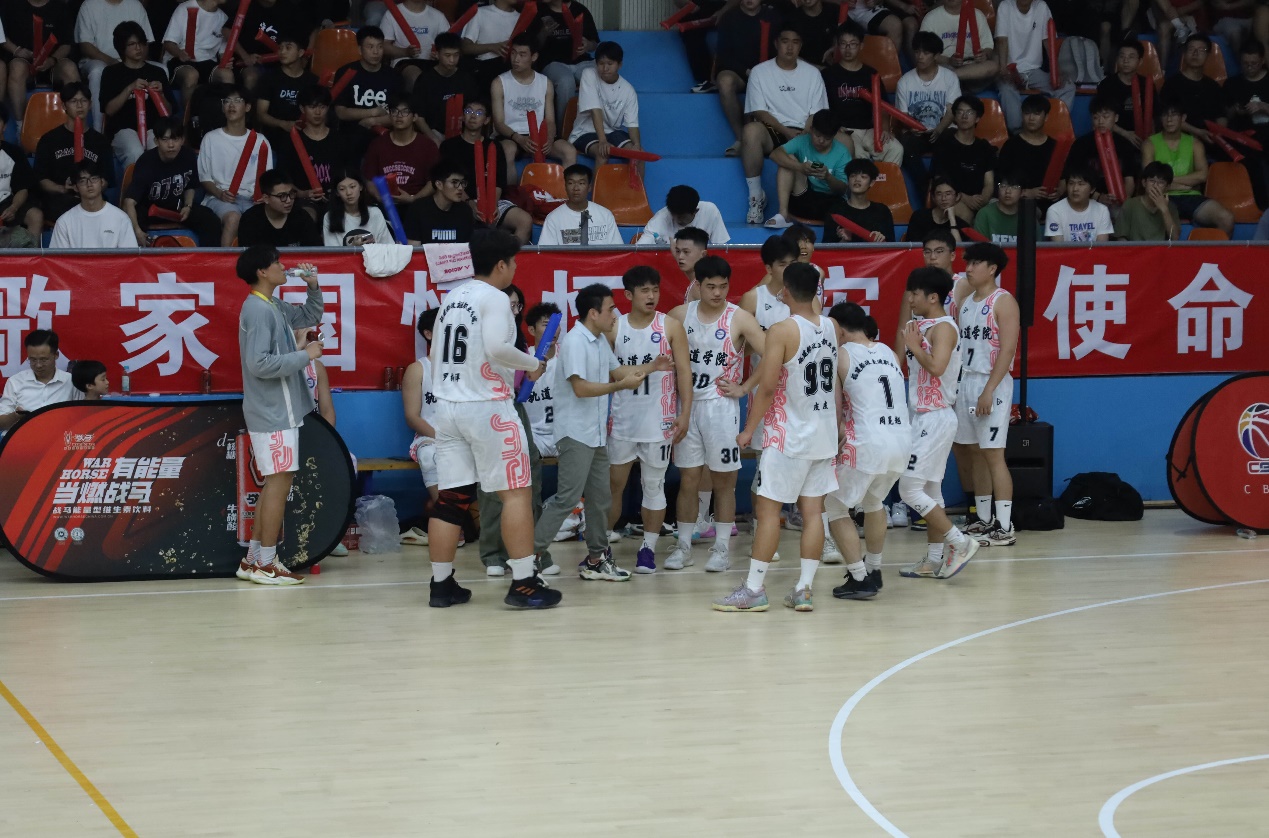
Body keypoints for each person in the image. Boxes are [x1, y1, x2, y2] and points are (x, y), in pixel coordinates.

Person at [426, 229, 560, 609]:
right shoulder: (496, 298)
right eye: (513, 263)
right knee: (515, 492)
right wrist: (533, 363)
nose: (515, 269)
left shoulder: (452, 297)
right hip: (487, 407)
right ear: (501, 264)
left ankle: (441, 585)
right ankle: (524, 583)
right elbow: (497, 348)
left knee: (451, 498)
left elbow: (435, 354)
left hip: (447, 408)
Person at [714, 262, 838, 613]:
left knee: (768, 511)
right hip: (823, 433)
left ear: (785, 290)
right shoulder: (831, 325)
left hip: (789, 435)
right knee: (813, 512)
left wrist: (748, 430)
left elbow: (767, 388)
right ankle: (804, 589)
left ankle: (754, 589)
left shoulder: (783, 330)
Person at [531, 283, 664, 583]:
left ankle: (596, 559)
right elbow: (580, 388)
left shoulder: (600, 340)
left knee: (600, 499)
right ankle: (530, 557)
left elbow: (618, 372)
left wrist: (652, 366)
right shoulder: (575, 342)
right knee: (567, 499)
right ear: (593, 313)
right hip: (575, 434)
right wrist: (619, 387)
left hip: (596, 434)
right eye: (610, 309)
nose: (615, 315)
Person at [665, 256, 766, 573]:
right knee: (689, 479)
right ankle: (683, 546)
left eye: (723, 286)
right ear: (697, 284)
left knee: (724, 481)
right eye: (710, 286)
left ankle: (721, 548)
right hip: (687, 406)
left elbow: (772, 354)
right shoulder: (679, 315)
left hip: (721, 409)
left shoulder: (740, 318)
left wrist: (745, 386)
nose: (718, 292)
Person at [234, 246, 324, 586]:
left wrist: (313, 286)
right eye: (276, 263)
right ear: (262, 271)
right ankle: (267, 564)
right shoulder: (258, 310)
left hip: (279, 410)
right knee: (278, 485)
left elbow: (308, 315)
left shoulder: (272, 304)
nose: (283, 267)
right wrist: (305, 355)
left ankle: (253, 559)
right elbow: (258, 364)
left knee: (274, 484)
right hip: (272, 412)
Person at [606, 266, 693, 575]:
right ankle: (602, 547)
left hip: (659, 421)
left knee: (654, 486)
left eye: (655, 289)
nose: (651, 295)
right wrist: (650, 367)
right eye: (644, 290)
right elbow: (608, 373)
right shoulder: (615, 327)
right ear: (628, 295)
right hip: (623, 421)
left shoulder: (670, 326)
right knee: (613, 486)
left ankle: (648, 548)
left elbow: (685, 373)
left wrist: (685, 413)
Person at [897, 266, 980, 579]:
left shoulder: (944, 327)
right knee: (931, 492)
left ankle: (960, 542)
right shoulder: (918, 325)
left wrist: (915, 346)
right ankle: (933, 560)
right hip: (920, 416)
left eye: (915, 293)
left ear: (933, 297)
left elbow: (937, 366)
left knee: (909, 489)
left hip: (935, 416)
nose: (910, 299)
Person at [824, 302, 909, 601]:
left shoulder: (841, 355)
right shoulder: (889, 352)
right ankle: (874, 568)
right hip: (901, 441)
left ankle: (859, 577)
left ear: (839, 329)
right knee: (874, 502)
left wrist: (833, 440)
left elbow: (835, 410)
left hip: (867, 442)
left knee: (834, 506)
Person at [952, 243, 1019, 548]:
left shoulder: (1003, 301)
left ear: (992, 269)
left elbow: (1007, 350)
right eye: (968, 262)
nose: (968, 268)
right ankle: (983, 518)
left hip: (991, 383)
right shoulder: (966, 302)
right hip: (966, 380)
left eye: (976, 263)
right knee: (975, 451)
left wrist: (989, 390)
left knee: (993, 454)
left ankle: (1004, 525)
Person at [741, 24, 830, 224]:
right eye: (785, 41)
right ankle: (756, 197)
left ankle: (842, 201)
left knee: (845, 141)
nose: (790, 47)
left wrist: (804, 133)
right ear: (776, 44)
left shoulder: (812, 73)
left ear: (801, 46)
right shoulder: (760, 71)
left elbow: (817, 113)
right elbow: (759, 111)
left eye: (795, 42)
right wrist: (786, 132)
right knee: (750, 131)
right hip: (773, 129)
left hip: (806, 131)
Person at [438, 98, 534, 244]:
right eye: (468, 111)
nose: (473, 116)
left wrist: (492, 205)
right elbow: (448, 181)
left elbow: (498, 181)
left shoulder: (494, 146)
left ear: (487, 120)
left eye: (479, 113)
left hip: (492, 200)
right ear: (462, 116)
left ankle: (510, 256)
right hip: (459, 200)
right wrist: (470, 204)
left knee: (525, 221)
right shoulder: (449, 146)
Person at [1142, 99, 1236, 236]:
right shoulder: (1150, 143)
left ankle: (1210, 251)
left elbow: (1202, 175)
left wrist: (1168, 182)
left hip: (1191, 196)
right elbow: (1148, 178)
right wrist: (1183, 185)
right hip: (1160, 197)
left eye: (1174, 115)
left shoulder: (1195, 143)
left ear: (1183, 118)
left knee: (1226, 219)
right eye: (1165, 115)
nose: (1169, 120)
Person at [124, 116, 222, 246]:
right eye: (165, 140)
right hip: (149, 210)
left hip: (178, 209)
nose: (171, 145)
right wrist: (136, 231)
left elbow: (190, 186)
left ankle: (207, 258)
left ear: (182, 140)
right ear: (156, 141)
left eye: (175, 139)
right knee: (130, 221)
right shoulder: (146, 161)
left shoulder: (188, 156)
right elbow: (129, 202)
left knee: (210, 220)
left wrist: (188, 206)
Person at [198, 84, 274, 246]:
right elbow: (205, 178)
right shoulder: (211, 138)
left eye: (237, 100)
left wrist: (262, 196)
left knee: (263, 219)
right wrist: (220, 194)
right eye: (227, 101)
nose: (231, 105)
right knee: (233, 218)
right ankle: (225, 260)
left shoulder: (260, 140)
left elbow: (268, 178)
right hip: (220, 198)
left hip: (252, 200)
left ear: (247, 107)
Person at [822, 20, 905, 164]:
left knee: (896, 149)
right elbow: (823, 108)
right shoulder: (828, 75)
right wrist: (834, 128)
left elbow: (883, 107)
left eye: (853, 44)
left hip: (870, 130)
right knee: (860, 157)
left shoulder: (871, 74)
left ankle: (886, 179)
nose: (848, 48)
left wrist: (884, 129)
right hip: (844, 131)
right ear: (838, 46)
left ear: (861, 46)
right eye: (843, 44)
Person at [491, 34, 576, 170]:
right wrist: (519, 139)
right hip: (511, 136)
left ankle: (564, 185)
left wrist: (549, 138)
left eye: (522, 54)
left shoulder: (545, 83)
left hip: (539, 136)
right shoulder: (499, 83)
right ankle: (514, 185)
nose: (516, 59)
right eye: (513, 53)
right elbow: (499, 123)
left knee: (569, 151)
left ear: (534, 57)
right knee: (507, 151)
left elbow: (550, 120)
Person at [35, 82, 113, 223]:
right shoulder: (49, 140)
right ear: (64, 106)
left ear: (90, 105)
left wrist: (88, 189)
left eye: (84, 101)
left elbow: (106, 179)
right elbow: (41, 179)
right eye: (73, 101)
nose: (79, 105)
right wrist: (62, 189)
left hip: (92, 197)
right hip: (59, 198)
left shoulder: (101, 141)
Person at [897, 31, 962, 200]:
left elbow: (952, 110)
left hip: (943, 130)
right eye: (917, 52)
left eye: (925, 53)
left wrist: (939, 129)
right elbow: (902, 114)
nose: (920, 56)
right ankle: (925, 185)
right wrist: (911, 126)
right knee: (906, 144)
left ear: (936, 56)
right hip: (917, 134)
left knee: (950, 138)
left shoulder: (949, 77)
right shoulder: (905, 81)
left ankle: (937, 181)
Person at [715, 0, 784, 156]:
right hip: (739, 72)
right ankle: (740, 138)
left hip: (766, 72)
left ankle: (767, 140)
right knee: (725, 82)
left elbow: (780, 49)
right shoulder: (729, 17)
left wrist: (762, 72)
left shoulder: (773, 16)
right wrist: (747, 71)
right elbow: (723, 55)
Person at [994, 0, 1075, 132]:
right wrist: (1003, 69)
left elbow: (1049, 42)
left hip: (1034, 71)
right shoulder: (1005, 6)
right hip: (1010, 69)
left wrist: (1057, 71)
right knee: (1007, 90)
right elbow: (1001, 40)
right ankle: (1018, 133)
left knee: (1067, 87)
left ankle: (1051, 129)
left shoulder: (1041, 6)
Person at [98, 20, 171, 166]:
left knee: (159, 150)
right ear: (121, 47)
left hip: (153, 129)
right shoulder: (111, 73)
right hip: (122, 130)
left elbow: (168, 112)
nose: (138, 48)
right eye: (132, 44)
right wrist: (129, 88)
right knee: (135, 151)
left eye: (141, 43)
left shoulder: (157, 72)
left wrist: (161, 94)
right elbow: (109, 110)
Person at [75, 0, 155, 131]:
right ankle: (99, 130)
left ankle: (160, 130)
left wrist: (132, 63)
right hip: (98, 60)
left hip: (132, 59)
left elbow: (145, 42)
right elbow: (85, 46)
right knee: (98, 71)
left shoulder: (135, 5)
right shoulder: (89, 5)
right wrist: (114, 63)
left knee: (162, 69)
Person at [766, 108, 851, 230]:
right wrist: (800, 167)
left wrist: (828, 177)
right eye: (817, 135)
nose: (821, 141)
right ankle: (783, 214)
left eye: (827, 138)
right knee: (788, 160)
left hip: (831, 203)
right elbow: (774, 154)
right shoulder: (802, 141)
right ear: (811, 129)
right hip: (804, 199)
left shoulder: (842, 152)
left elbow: (843, 189)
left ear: (834, 136)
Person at [3, 0, 81, 123]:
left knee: (70, 69)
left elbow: (66, 44)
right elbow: (2, 37)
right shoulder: (12, 5)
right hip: (24, 60)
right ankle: (21, 125)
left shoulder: (61, 7)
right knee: (17, 68)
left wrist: (52, 60)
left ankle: (74, 125)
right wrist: (17, 50)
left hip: (53, 62)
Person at [568, 41, 642, 168]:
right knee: (603, 153)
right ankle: (597, 183)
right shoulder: (589, 74)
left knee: (639, 155)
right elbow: (595, 110)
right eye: (601, 64)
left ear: (619, 64)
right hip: (584, 131)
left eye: (610, 64)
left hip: (613, 132)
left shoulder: (628, 90)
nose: (605, 68)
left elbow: (632, 125)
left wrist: (636, 145)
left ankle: (637, 183)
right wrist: (602, 141)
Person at [332, 26, 402, 158]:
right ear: (359, 49)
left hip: (384, 134)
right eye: (370, 47)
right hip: (351, 134)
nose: (376, 52)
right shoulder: (346, 72)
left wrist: (372, 121)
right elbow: (340, 112)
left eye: (380, 47)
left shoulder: (394, 76)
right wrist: (373, 112)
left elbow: (400, 114)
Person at [530, 0, 601, 127]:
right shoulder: (538, 11)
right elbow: (532, 46)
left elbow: (594, 44)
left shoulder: (579, 10)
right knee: (565, 81)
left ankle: (598, 128)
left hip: (582, 61)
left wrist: (587, 45)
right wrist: (543, 33)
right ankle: (565, 131)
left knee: (600, 75)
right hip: (553, 63)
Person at [1066, 96, 1139, 216]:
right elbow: (1073, 178)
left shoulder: (1125, 145)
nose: (1100, 121)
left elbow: (1129, 180)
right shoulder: (1081, 144)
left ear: (1116, 118)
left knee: (1122, 214)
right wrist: (1098, 197)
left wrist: (1122, 200)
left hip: (1118, 201)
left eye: (1105, 116)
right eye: (1096, 117)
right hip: (1088, 199)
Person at [362, 92, 439, 206]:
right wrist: (379, 197)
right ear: (389, 115)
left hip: (418, 205)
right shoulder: (377, 144)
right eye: (394, 111)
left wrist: (414, 199)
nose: (399, 115)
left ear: (415, 117)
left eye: (405, 111)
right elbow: (370, 179)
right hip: (385, 205)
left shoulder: (428, 146)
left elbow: (433, 182)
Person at [930, 95, 997, 223]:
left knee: (1000, 211)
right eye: (960, 112)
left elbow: (989, 183)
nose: (964, 116)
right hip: (954, 199)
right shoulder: (944, 144)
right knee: (962, 213)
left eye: (969, 112)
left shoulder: (984, 147)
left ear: (977, 118)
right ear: (955, 117)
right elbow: (939, 180)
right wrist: (965, 198)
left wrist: (983, 199)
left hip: (979, 199)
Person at [0, 330, 81, 433]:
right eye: (33, 360)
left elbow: (83, 417)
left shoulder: (71, 382)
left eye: (43, 360)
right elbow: (1, 423)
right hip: (22, 438)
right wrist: (16, 416)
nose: (38, 365)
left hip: (59, 438)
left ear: (56, 355)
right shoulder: (15, 382)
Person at [282, 86, 350, 208]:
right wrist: (303, 194)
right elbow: (283, 179)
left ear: (328, 108)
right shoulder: (292, 141)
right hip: (304, 201)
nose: (317, 112)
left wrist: (339, 192)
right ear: (302, 109)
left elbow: (350, 174)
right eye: (312, 107)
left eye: (322, 107)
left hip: (337, 200)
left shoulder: (340, 139)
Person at [403, 308, 441, 525]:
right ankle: (450, 515)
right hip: (430, 437)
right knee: (428, 455)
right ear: (428, 334)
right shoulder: (418, 369)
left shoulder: (467, 368)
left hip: (464, 434)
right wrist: (442, 437)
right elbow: (412, 417)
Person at [407, 32, 478, 146]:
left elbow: (474, 108)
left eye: (456, 55)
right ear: (437, 54)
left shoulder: (466, 78)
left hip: (461, 132)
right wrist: (434, 139)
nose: (452, 60)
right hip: (434, 132)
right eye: (447, 55)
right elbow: (419, 117)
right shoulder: (425, 79)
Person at [1160, 33, 1227, 150]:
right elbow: (1167, 119)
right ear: (1184, 53)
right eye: (1191, 49)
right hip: (1180, 140)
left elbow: (1221, 116)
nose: (1195, 53)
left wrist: (1218, 134)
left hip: (1210, 139)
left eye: (1201, 50)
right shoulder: (1172, 84)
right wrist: (1198, 132)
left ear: (1208, 55)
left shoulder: (1213, 86)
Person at [49, 162, 136, 248]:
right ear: (75, 187)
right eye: (83, 181)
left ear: (102, 182)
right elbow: (59, 257)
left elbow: (129, 256)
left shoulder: (121, 218)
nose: (89, 184)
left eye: (94, 179)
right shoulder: (64, 222)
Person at [161, 0, 233, 104]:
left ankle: (225, 113)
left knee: (227, 75)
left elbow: (222, 53)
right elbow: (168, 43)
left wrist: (225, 61)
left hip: (207, 61)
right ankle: (190, 114)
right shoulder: (185, 8)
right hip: (178, 60)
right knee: (191, 75)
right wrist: (179, 53)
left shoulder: (223, 17)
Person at [919, 0, 997, 88]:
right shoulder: (931, 18)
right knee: (931, 68)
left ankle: (949, 76)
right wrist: (948, 61)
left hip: (973, 69)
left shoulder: (978, 15)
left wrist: (984, 55)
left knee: (992, 66)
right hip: (946, 66)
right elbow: (924, 53)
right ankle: (947, 78)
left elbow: (988, 46)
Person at [539, 164, 623, 245]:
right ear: (565, 187)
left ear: (589, 187)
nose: (576, 188)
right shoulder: (553, 218)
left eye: (581, 183)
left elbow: (617, 250)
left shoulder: (605, 215)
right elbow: (546, 253)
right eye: (571, 183)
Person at [996, 94, 1060, 200]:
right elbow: (1000, 180)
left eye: (1037, 114)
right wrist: (1025, 192)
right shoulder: (1011, 145)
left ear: (1046, 117)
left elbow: (1063, 178)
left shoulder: (1054, 146)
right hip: (1018, 201)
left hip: (1049, 201)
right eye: (1027, 113)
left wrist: (1059, 191)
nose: (1031, 118)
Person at [255, 29, 318, 135]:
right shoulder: (268, 78)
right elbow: (261, 115)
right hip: (274, 137)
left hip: (305, 136)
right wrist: (283, 124)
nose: (282, 52)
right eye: (280, 48)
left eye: (288, 48)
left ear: (300, 53)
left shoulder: (313, 81)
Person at [1097, 39, 1158, 147]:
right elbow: (1100, 117)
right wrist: (1126, 134)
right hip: (1115, 135)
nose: (1126, 61)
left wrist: (1150, 138)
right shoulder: (1106, 85)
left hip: (1143, 137)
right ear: (1117, 59)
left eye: (1131, 57)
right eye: (1122, 56)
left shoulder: (1146, 84)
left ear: (1140, 61)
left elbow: (1153, 114)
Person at [237, 169, 322, 247]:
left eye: (291, 194)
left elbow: (315, 251)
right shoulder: (250, 219)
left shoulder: (302, 216)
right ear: (266, 198)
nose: (289, 200)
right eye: (282, 196)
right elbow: (248, 256)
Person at [405, 159, 483, 244]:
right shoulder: (418, 209)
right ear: (439, 184)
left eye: (462, 182)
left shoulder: (465, 211)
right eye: (454, 182)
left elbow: (467, 247)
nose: (460, 188)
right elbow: (414, 248)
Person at [378, 0, 449, 91]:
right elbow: (383, 46)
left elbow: (448, 45)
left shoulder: (438, 16)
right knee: (415, 76)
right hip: (404, 62)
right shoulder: (392, 14)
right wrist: (405, 52)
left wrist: (439, 55)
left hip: (432, 63)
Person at [823, 158, 897, 242]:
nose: (857, 180)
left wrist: (880, 241)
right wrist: (844, 241)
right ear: (848, 181)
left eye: (863, 176)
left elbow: (892, 246)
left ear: (872, 183)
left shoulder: (882, 211)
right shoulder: (835, 211)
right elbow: (826, 247)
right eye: (853, 176)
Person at [522, 301, 561, 459]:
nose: (553, 330)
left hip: (565, 434)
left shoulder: (567, 355)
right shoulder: (522, 359)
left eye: (556, 325)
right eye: (546, 325)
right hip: (532, 435)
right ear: (532, 330)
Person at [0, 104, 43, 241]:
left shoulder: (14, 153)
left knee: (35, 216)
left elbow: (23, 188)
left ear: (4, 126)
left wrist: (13, 208)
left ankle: (31, 254)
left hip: (7, 202)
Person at [322, 165, 392, 246]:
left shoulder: (375, 213)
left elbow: (388, 247)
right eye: (342, 189)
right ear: (337, 192)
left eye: (352, 187)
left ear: (361, 187)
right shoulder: (329, 217)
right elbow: (332, 251)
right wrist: (353, 247)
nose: (348, 193)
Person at [1045, 163, 1114, 241]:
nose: (1075, 189)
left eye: (1081, 184)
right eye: (1071, 183)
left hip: (1093, 250)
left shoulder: (1102, 210)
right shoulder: (1055, 211)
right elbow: (1058, 246)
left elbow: (1102, 245)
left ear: (1092, 189)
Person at [1115, 160, 1183, 240]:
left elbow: (1175, 237)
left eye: (1161, 182)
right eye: (1152, 181)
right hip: (1136, 248)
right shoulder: (1130, 204)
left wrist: (1165, 210)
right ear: (1144, 183)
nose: (1155, 186)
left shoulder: (1170, 207)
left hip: (1160, 248)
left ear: (1167, 187)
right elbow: (1121, 237)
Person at [640, 185, 730, 245]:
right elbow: (639, 251)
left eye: (682, 217)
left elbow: (721, 248)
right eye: (673, 215)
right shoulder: (659, 219)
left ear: (695, 211)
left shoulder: (710, 211)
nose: (677, 220)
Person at [460, 0, 517, 91]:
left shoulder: (520, 17)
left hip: (511, 71)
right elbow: (465, 47)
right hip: (485, 71)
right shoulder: (480, 13)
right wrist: (491, 47)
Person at [972, 170, 1040, 242]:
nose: (1008, 191)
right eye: (1003, 186)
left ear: (1022, 192)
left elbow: (1038, 246)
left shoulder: (1028, 217)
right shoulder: (984, 214)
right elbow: (980, 247)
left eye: (1014, 187)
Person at [905, 175, 972, 242]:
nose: (943, 198)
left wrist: (952, 221)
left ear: (957, 196)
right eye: (939, 194)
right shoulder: (919, 216)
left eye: (948, 194)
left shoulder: (962, 225)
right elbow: (911, 244)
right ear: (933, 197)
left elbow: (959, 248)